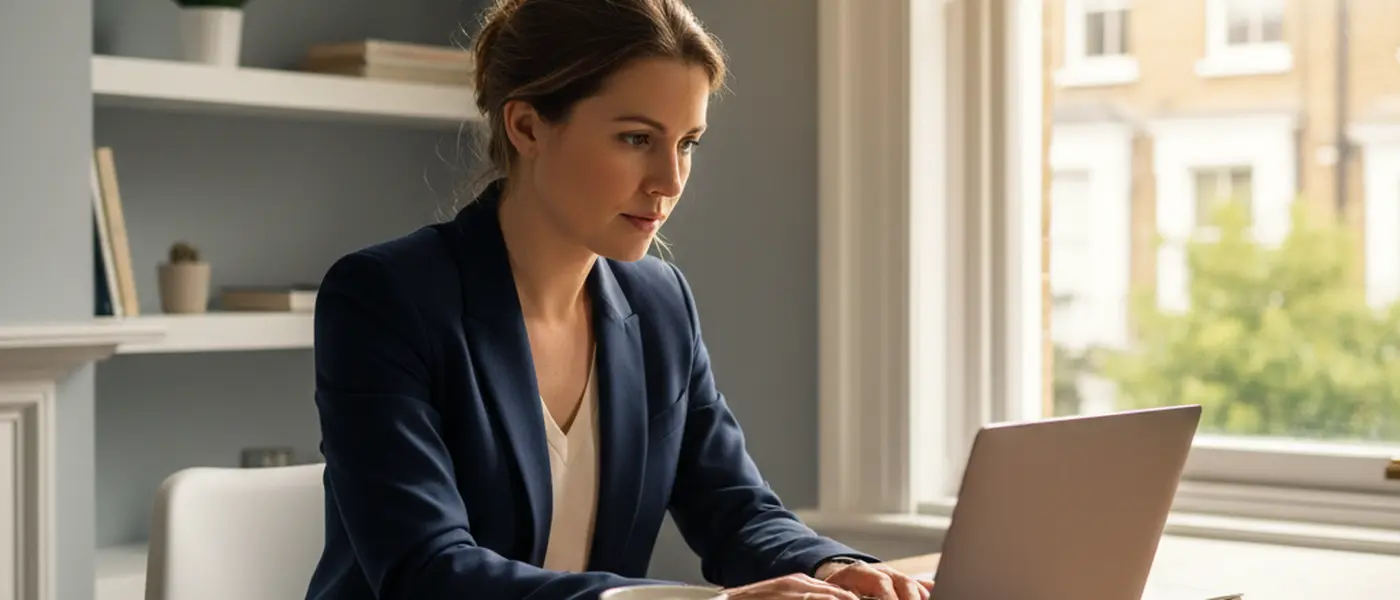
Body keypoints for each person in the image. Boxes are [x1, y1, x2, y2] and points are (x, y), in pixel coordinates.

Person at [304, 1, 935, 599]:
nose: (669, 181)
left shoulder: (658, 303)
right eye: (637, 139)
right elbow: (428, 572)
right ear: (526, 126)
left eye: (687, 142)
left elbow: (734, 508)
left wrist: (835, 566)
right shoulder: (386, 298)